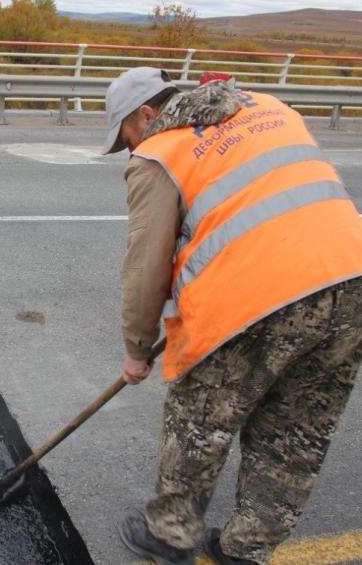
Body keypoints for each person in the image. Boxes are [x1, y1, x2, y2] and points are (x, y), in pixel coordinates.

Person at [103, 66, 362, 565]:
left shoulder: (160, 152)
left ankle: (170, 533)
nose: (130, 149)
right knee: (296, 428)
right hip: (351, 280)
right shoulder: (268, 106)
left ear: (148, 114)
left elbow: (145, 265)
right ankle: (247, 549)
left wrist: (137, 350)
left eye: (127, 137)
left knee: (200, 414)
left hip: (259, 291)